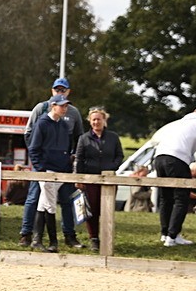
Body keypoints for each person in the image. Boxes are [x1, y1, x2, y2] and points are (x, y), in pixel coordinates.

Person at [20, 77, 85, 248]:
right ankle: (31, 235)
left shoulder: (72, 115)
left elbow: (77, 138)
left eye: (63, 90)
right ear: (52, 93)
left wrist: (70, 159)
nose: (60, 92)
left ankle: (59, 237)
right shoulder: (40, 111)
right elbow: (29, 137)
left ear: (68, 91)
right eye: (57, 89)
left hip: (62, 168)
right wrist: (39, 164)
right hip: (44, 167)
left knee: (60, 200)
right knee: (36, 200)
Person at [153, 107, 196, 247]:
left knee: (166, 198)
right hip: (177, 160)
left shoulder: (177, 123)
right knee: (181, 198)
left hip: (159, 158)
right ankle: (173, 236)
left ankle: (165, 234)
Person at [28, 94, 75, 252]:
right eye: (62, 106)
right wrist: (41, 169)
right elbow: (33, 148)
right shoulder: (42, 123)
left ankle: (37, 239)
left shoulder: (63, 126)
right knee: (50, 205)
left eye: (66, 106)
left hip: (60, 170)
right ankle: (53, 241)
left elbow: (67, 148)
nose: (64, 109)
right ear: (53, 105)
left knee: (43, 204)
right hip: (47, 170)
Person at [74, 107, 124, 251]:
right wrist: (79, 178)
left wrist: (112, 166)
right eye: (94, 119)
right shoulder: (83, 138)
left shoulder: (113, 137)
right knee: (92, 210)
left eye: (99, 119)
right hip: (91, 179)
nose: (96, 122)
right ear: (90, 121)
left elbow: (119, 155)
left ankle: (107, 239)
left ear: (104, 120)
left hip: (109, 178)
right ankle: (94, 238)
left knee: (107, 210)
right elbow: (79, 159)